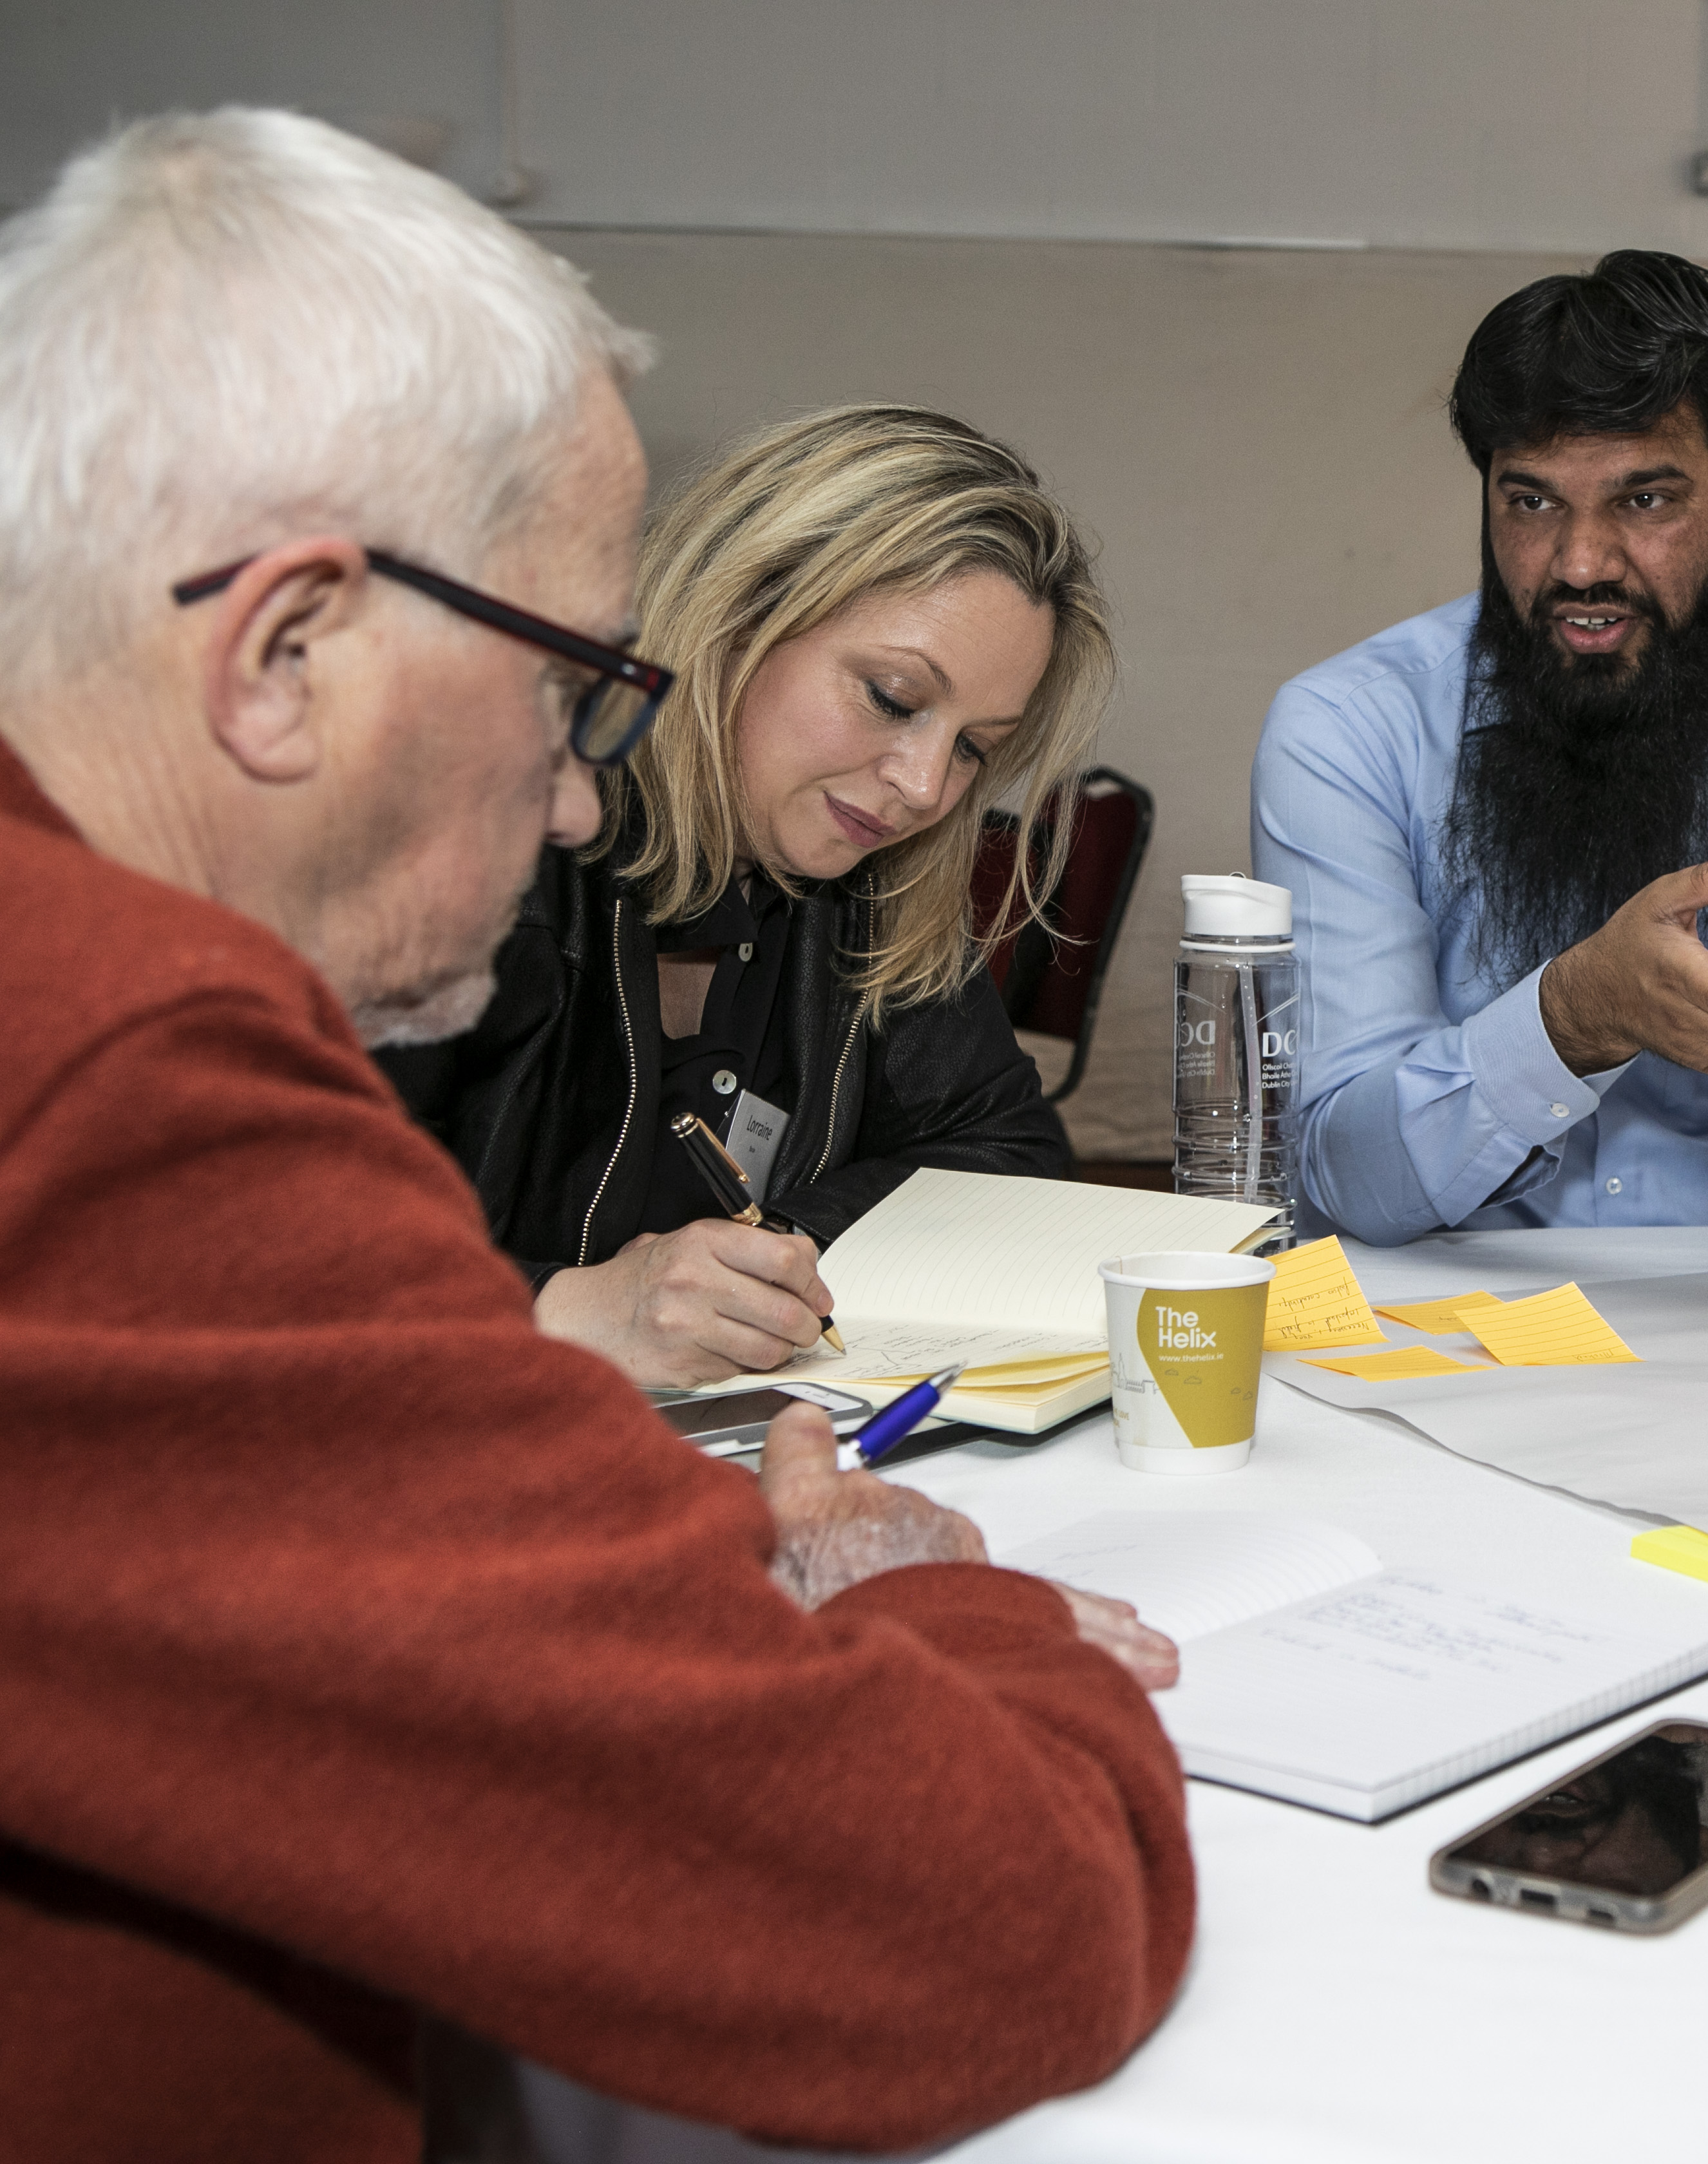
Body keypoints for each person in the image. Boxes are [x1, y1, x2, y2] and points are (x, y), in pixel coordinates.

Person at [0, 111, 1190, 2157]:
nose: (573, 799)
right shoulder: (115, 1084)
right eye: (565, 694)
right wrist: (924, 1592)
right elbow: (995, 1926)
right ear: (285, 652)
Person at [379, 403, 1095, 1390]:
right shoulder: (469, 851)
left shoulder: (866, 886)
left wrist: (767, 1260)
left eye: (974, 747)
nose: (927, 787)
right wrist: (561, 1310)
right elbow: (238, 1249)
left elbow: (1005, 1152)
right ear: (734, 616)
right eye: (891, 698)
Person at [1253, 251, 1708, 1244]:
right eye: (1532, 501)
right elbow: (1347, 1173)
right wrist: (1569, 1018)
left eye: (1645, 500)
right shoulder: (1347, 730)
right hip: (1434, 1325)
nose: (1580, 564)